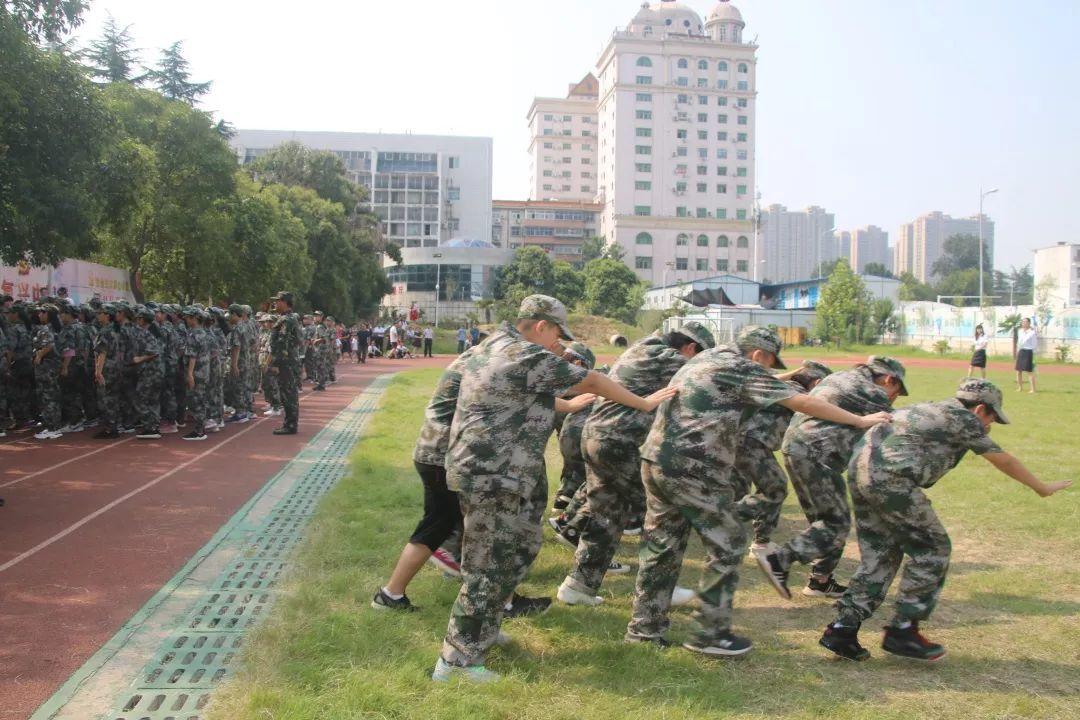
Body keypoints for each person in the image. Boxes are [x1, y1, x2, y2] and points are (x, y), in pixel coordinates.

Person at [433, 295, 678, 683]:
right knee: (488, 565)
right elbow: (594, 379)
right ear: (542, 326)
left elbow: (519, 397)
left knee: (524, 546)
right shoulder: (521, 352)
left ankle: (482, 629)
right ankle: (457, 662)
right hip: (491, 475)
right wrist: (645, 403)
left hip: (505, 473)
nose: (559, 345)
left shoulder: (495, 346)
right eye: (557, 336)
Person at [625, 327, 892, 657]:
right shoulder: (742, 368)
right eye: (769, 363)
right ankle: (711, 633)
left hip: (655, 459)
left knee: (661, 545)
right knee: (731, 541)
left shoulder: (708, 358)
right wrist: (859, 420)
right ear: (759, 355)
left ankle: (644, 630)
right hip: (693, 466)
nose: (768, 369)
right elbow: (803, 401)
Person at [819, 379, 1071, 662]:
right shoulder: (964, 418)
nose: (990, 425)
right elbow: (1003, 460)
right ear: (980, 409)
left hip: (861, 475)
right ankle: (903, 629)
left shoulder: (925, 408)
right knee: (932, 549)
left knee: (881, 554)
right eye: (992, 418)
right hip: (893, 480)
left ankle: (842, 629)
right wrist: (1041, 487)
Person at [555, 322, 716, 608]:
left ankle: (578, 586)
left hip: (598, 439)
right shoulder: (668, 358)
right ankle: (662, 587)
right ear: (690, 348)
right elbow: (711, 379)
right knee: (663, 510)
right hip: (621, 443)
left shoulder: (643, 349)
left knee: (607, 516)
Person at [757, 356, 908, 601]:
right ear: (889, 379)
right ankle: (780, 559)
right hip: (817, 456)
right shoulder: (871, 392)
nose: (893, 397)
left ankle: (820, 580)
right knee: (835, 524)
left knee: (824, 521)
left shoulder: (839, 376)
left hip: (796, 449)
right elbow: (898, 423)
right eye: (897, 391)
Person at [734, 360, 833, 554]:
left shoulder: (781, 386)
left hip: (736, 442)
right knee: (775, 488)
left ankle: (719, 517)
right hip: (752, 445)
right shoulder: (798, 393)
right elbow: (819, 409)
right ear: (817, 382)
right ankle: (757, 541)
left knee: (753, 488)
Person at [269, 291, 302, 435]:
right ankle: (290, 423)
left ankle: (290, 425)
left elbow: (283, 343)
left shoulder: (286, 320)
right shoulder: (287, 318)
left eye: (277, 301)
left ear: (284, 302)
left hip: (286, 362)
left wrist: (276, 363)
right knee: (288, 392)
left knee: (288, 393)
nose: (275, 303)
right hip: (288, 361)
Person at [31, 304, 64, 440]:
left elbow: (49, 345)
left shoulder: (46, 329)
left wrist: (39, 355)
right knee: (51, 396)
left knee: (47, 397)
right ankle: (53, 426)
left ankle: (52, 427)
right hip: (52, 367)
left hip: (46, 368)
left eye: (42, 312)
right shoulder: (55, 328)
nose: (39, 314)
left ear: (48, 314)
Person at [131, 307, 164, 439]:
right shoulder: (152, 331)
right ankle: (153, 426)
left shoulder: (148, 333)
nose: (137, 321)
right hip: (155, 371)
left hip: (151, 371)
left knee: (140, 397)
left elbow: (154, 352)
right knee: (153, 400)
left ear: (143, 320)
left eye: (139, 318)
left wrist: (140, 358)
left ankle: (150, 425)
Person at [1015, 317, 1037, 393]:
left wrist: (1032, 352)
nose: (1023, 323)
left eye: (1025, 322)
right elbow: (1019, 342)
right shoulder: (1020, 331)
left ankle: (1033, 389)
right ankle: (1020, 387)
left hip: (1028, 351)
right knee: (1018, 371)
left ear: (1029, 323)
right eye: (1022, 322)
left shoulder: (1032, 332)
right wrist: (1018, 351)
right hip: (1021, 351)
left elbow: (1034, 344)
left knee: (1029, 371)